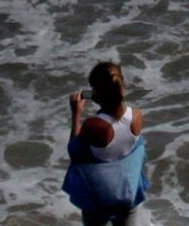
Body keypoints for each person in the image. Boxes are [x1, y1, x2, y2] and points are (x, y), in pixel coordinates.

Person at [63, 61, 149, 225]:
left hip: (99, 199)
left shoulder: (95, 126)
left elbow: (74, 151)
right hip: (127, 193)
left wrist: (76, 113)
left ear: (96, 91)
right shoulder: (136, 117)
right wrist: (105, 100)